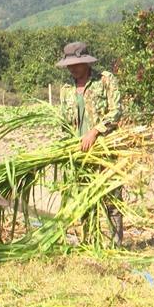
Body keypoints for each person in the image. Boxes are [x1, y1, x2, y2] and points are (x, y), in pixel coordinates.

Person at [55, 41, 124, 245]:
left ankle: (115, 243)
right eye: (70, 65)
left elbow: (116, 111)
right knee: (84, 198)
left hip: (105, 150)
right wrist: (67, 148)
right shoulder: (66, 90)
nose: (73, 69)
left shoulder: (104, 80)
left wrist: (95, 132)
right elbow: (64, 125)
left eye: (77, 64)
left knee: (111, 197)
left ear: (86, 63)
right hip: (79, 154)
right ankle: (90, 241)